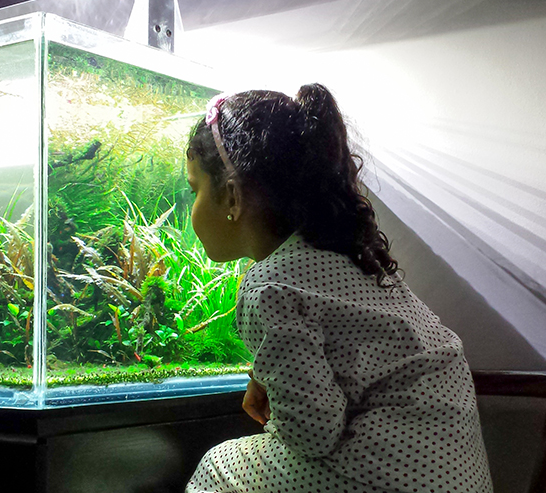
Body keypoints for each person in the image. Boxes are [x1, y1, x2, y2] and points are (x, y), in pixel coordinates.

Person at [184, 84, 493, 493]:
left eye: (194, 189)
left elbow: (314, 434)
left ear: (231, 195)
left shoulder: (267, 286)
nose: (191, 206)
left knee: (217, 466)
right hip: (457, 477)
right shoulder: (357, 259)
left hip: (381, 476)